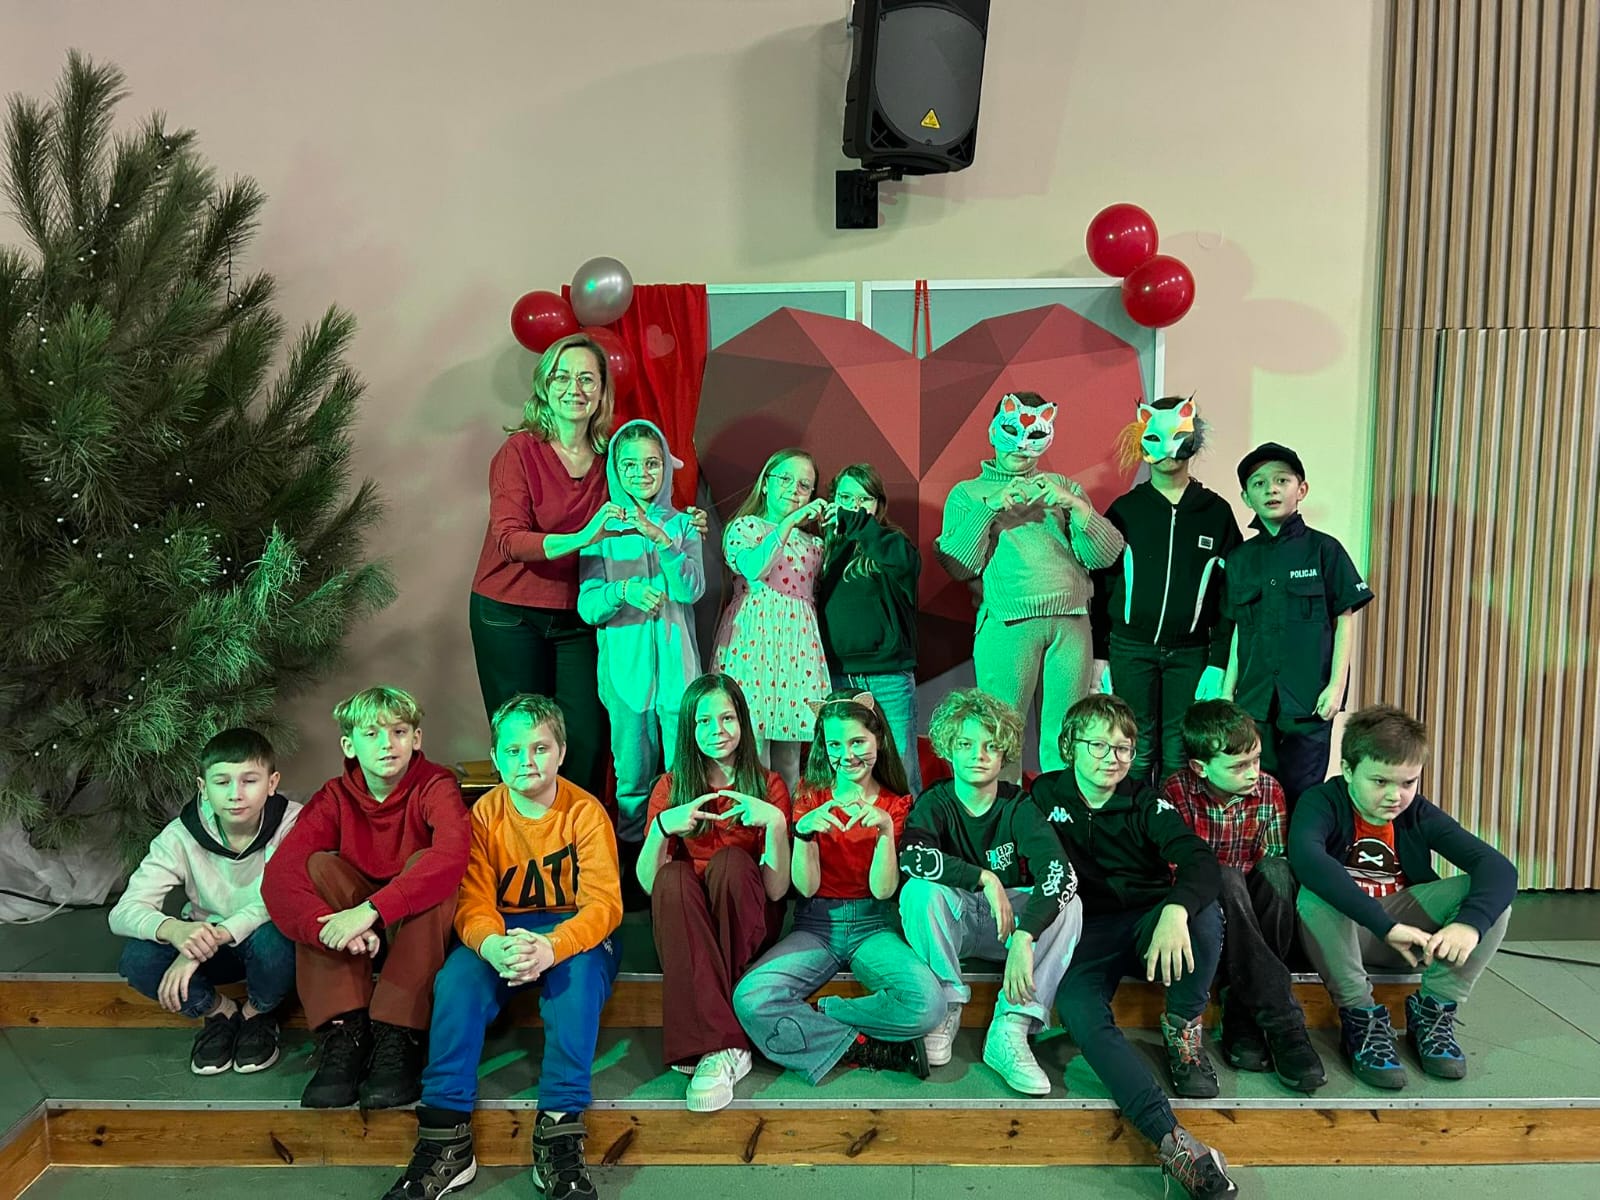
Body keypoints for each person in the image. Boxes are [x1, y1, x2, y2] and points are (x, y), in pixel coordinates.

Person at [384, 694, 622, 1200]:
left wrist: (552, 947)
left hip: (573, 931)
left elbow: (603, 905)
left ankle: (558, 1130)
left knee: (578, 982)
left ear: (561, 752)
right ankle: (446, 1135)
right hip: (503, 931)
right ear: (495, 757)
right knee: (456, 980)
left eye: (540, 748)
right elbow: (472, 900)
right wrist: (492, 946)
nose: (526, 761)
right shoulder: (482, 816)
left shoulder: (585, 812)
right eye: (513, 751)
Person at [1031, 694, 1235, 1200]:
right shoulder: (1044, 794)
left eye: (1123, 748)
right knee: (1077, 1009)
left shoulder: (1145, 801)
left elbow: (1198, 860)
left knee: (1203, 913)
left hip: (1149, 922)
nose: (1112, 758)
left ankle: (1182, 1028)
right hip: (1085, 930)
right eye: (1098, 746)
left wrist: (1175, 908)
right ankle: (1171, 1141)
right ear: (1069, 747)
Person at [262, 685, 470, 1110]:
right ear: (349, 746)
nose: (387, 744)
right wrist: (330, 928)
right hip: (358, 936)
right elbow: (279, 877)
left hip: (411, 928)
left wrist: (371, 911)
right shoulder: (334, 797)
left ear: (416, 739)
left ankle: (399, 1032)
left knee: (430, 867)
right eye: (371, 734)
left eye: (398, 732)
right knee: (317, 867)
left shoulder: (436, 785)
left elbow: (452, 855)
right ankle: (345, 1031)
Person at [1290, 704, 1516, 1090]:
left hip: (1407, 941)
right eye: (1380, 781)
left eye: (1408, 783)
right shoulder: (1321, 801)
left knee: (1491, 900)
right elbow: (1307, 859)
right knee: (1317, 890)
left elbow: (1498, 868)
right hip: (1343, 935)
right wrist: (1385, 925)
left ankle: (1433, 1012)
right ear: (1348, 770)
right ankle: (1361, 1019)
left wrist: (1469, 925)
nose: (1395, 796)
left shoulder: (1418, 813)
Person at [732, 691, 943, 1084]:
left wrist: (885, 832)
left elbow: (883, 892)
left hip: (873, 925)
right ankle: (864, 1046)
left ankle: (824, 1016)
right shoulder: (810, 796)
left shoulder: (897, 804)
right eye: (834, 745)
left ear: (879, 739)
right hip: (817, 924)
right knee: (750, 996)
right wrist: (804, 834)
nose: (846, 755)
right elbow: (806, 886)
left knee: (928, 1005)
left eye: (857, 742)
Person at [897, 688, 1082, 1097]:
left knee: (1071, 902)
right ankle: (945, 1005)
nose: (978, 755)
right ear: (948, 748)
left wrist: (1025, 934)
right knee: (919, 892)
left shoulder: (1018, 805)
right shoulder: (936, 800)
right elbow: (911, 857)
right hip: (959, 922)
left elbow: (1060, 872)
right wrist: (984, 877)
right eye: (966, 744)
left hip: (1008, 928)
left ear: (1004, 753)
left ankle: (1012, 1025)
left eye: (990, 746)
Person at [468, 332, 625, 798]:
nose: (574, 388)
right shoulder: (518, 451)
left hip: (580, 615)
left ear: (601, 390)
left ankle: (575, 838)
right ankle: (524, 838)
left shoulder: (613, 457)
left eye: (587, 378)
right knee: (524, 744)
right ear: (545, 385)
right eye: (562, 377)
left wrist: (680, 525)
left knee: (585, 744)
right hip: (508, 614)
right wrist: (582, 537)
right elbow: (510, 540)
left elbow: (642, 510)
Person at [936, 392, 1124, 779]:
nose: (1021, 446)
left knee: (1067, 736)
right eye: (1011, 432)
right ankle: (1004, 811)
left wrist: (1077, 506)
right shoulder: (968, 493)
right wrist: (989, 507)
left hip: (1071, 622)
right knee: (1001, 734)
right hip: (1008, 623)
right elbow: (958, 564)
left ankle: (1061, 811)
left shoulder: (1062, 486)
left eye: (1035, 435)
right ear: (993, 431)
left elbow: (1104, 555)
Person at [638, 672, 792, 1113]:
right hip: (688, 923)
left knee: (729, 863)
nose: (716, 731)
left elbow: (777, 890)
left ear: (742, 722)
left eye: (726, 718)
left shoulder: (769, 785)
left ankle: (712, 1042)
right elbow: (650, 884)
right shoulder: (670, 787)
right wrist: (663, 827)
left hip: (744, 916)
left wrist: (775, 823)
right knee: (673, 878)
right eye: (703, 721)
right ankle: (727, 1046)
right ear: (689, 729)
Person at [109, 728, 299, 1075]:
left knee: (278, 936)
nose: (235, 794)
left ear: (272, 783)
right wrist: (175, 931)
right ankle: (220, 1013)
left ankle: (258, 1014)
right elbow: (123, 912)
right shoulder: (180, 835)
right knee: (137, 959)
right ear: (203, 788)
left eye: (249, 781)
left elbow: (283, 898)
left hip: (265, 944)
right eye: (221, 782)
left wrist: (209, 939)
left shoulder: (293, 822)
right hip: (211, 948)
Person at [1164, 700, 1325, 1091]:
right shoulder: (1176, 792)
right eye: (1238, 766)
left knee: (1278, 872)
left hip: (1258, 920)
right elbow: (1178, 873)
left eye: (1255, 760)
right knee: (1223, 876)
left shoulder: (1269, 790)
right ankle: (1282, 1020)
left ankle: (1240, 1006)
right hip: (1206, 917)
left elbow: (1272, 863)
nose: (1253, 772)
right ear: (1200, 767)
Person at [577, 418, 705, 883]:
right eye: (629, 465)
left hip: (679, 675)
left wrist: (663, 540)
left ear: (665, 467)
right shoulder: (602, 530)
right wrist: (623, 591)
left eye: (651, 463)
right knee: (631, 776)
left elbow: (691, 590)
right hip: (624, 677)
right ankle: (634, 873)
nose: (641, 473)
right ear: (616, 469)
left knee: (682, 772)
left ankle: (682, 866)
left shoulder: (683, 524)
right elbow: (588, 605)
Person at [1093, 396, 1242, 784]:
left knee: (1179, 751)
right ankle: (1136, 822)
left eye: (1177, 437)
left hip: (1191, 654)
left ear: (1194, 438)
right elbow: (1101, 583)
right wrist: (1099, 654)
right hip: (1130, 649)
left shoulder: (1216, 513)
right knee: (1135, 749)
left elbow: (1230, 595)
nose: (1167, 450)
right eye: (1155, 438)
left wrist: (1219, 661)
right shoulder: (1125, 510)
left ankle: (1172, 822)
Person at [1222, 442, 1373, 807]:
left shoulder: (1325, 549)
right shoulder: (1240, 559)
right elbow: (1239, 629)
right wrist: (1227, 694)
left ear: (1301, 489)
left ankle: (1299, 847)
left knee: (1303, 794)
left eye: (1281, 480)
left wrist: (1336, 687)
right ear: (1246, 497)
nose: (1270, 490)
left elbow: (1344, 620)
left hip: (1308, 699)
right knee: (1255, 794)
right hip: (1255, 702)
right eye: (1259, 484)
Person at [710, 447, 831, 788]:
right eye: (785, 479)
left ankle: (786, 820)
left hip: (796, 646)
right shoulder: (745, 528)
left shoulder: (815, 544)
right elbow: (753, 567)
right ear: (765, 483)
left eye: (804, 485)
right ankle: (755, 817)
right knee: (754, 746)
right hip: (753, 642)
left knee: (790, 756)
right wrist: (789, 523)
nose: (794, 489)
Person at [817, 463, 923, 794]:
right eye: (845, 497)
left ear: (878, 505)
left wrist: (854, 521)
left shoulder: (892, 543)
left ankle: (911, 827)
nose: (854, 506)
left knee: (901, 764)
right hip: (839, 677)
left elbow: (906, 564)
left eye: (864, 499)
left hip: (888, 676)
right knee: (846, 769)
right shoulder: (822, 547)